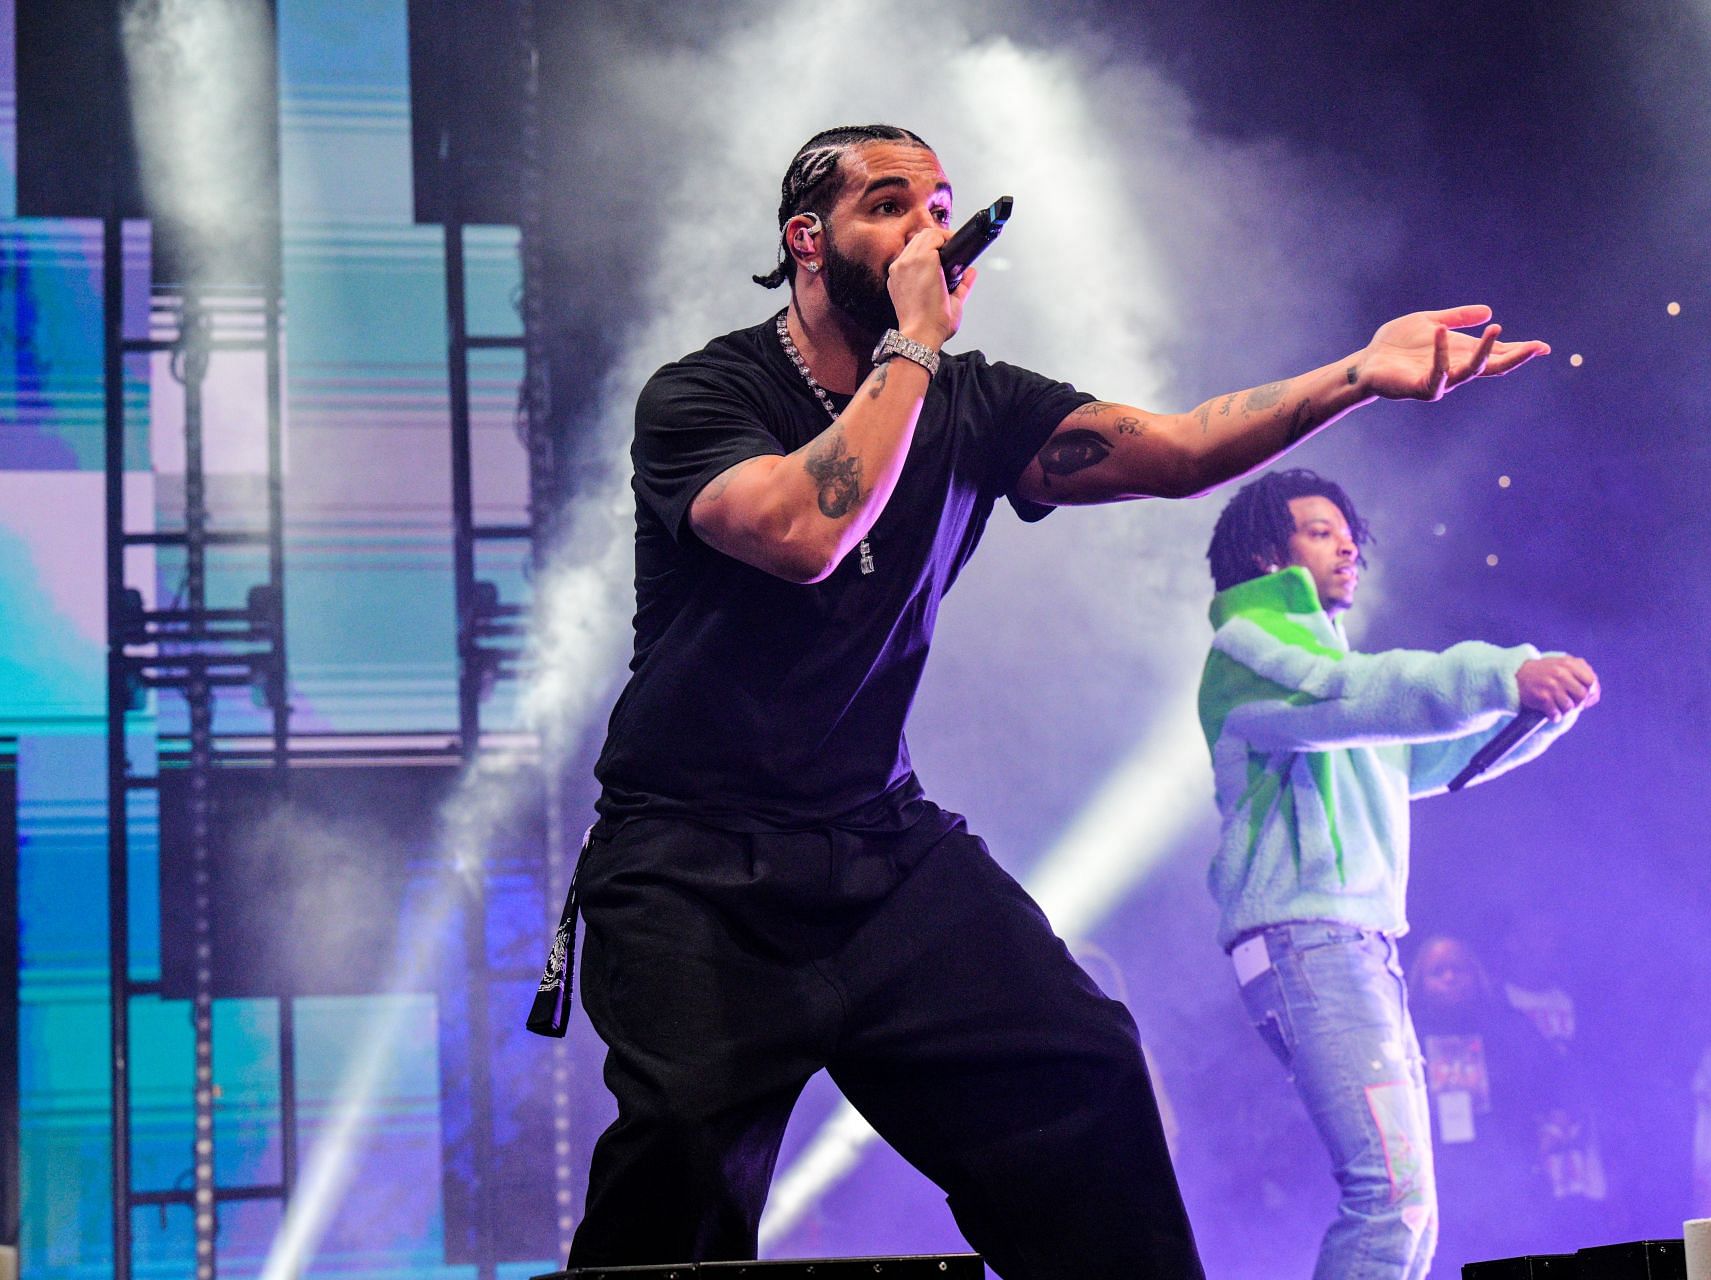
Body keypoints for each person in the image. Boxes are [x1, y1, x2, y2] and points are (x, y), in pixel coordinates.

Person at [565, 122, 1550, 1276]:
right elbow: (804, 530)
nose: (928, 229)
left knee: (1079, 1065)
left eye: (939, 209)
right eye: (889, 206)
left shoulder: (974, 402)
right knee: (675, 1182)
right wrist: (917, 348)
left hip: (877, 848)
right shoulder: (702, 394)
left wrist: (1357, 377)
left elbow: (1177, 448)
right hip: (690, 862)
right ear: (806, 240)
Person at [1197, 468, 1598, 1280]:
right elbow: (1358, 694)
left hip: (1352, 950)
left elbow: (1435, 758)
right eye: (1318, 530)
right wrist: (1503, 674)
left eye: (1348, 532)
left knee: (1409, 1209)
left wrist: (1533, 714)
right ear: (1267, 555)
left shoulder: (1332, 688)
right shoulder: (1250, 653)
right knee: (1390, 1200)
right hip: (1309, 944)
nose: (1347, 543)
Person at [1409, 934, 1570, 1275]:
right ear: (1421, 982)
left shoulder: (1507, 1026)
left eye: (1458, 970)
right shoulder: (1407, 1036)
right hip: (1438, 1184)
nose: (1449, 978)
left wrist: (1552, 1132)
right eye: (1438, 972)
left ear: (1476, 975)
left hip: (1510, 1179)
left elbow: (1560, 1083)